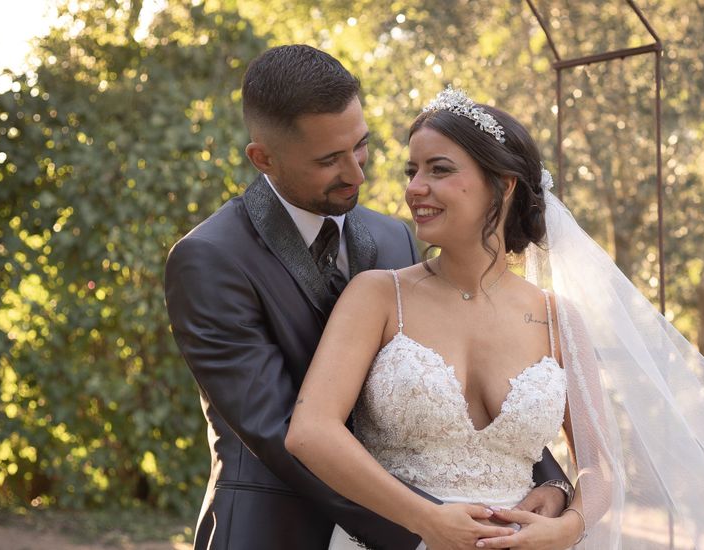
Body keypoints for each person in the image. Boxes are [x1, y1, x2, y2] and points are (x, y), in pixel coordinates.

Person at [287, 86, 704, 550]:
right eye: (412, 171)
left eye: (438, 169)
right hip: (392, 541)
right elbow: (310, 432)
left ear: (503, 186)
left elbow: (599, 466)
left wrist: (569, 526)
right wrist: (428, 521)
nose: (415, 189)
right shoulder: (378, 295)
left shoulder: (555, 317)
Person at [164, 47, 569, 550]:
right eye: (329, 160)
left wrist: (549, 482)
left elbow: (477, 408)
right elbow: (281, 430)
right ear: (263, 158)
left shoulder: (392, 236)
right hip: (274, 530)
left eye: (360, 147)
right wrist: (421, 524)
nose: (356, 174)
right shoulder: (209, 257)